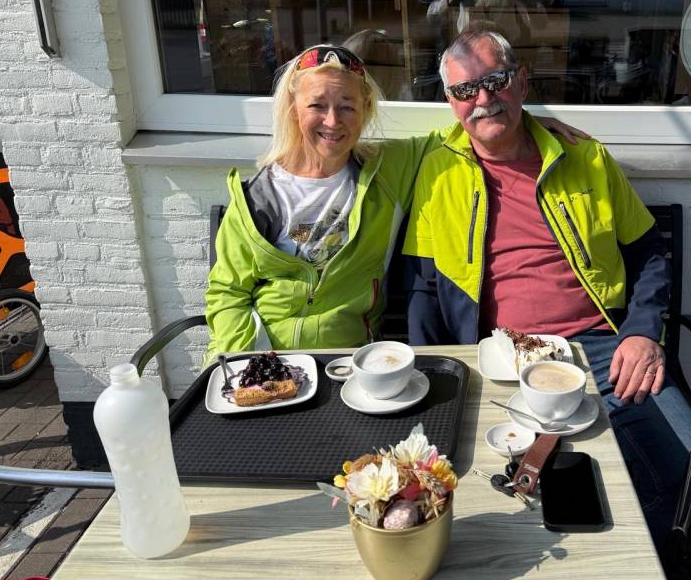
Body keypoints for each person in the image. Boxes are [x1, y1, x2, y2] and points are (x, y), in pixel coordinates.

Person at [402, 28, 691, 547]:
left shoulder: (585, 157)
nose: (482, 99)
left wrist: (643, 332)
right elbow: (423, 284)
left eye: (495, 81)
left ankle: (605, 558)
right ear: (450, 100)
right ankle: (573, 547)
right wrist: (438, 369)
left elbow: (648, 253)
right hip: (499, 354)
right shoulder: (436, 167)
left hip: (601, 346)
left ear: (521, 82)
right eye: (465, 90)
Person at [205, 43, 585, 359]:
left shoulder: (387, 170)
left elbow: (468, 127)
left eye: (347, 106)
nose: (333, 121)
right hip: (262, 356)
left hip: (349, 360)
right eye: (317, 106)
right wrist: (247, 366)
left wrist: (523, 123)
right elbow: (227, 293)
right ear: (293, 110)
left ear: (365, 110)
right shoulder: (258, 196)